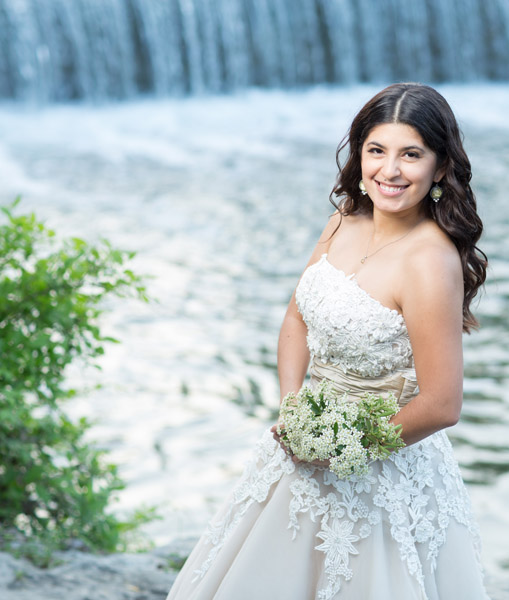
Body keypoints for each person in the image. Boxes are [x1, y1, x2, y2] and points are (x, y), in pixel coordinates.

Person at [167, 83, 490, 600]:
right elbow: (297, 318)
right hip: (302, 446)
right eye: (377, 150)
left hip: (382, 465)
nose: (390, 170)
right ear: (359, 155)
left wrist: (346, 449)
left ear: (440, 167)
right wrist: (293, 405)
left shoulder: (430, 262)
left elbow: (442, 404)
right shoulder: (343, 220)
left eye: (411, 154)